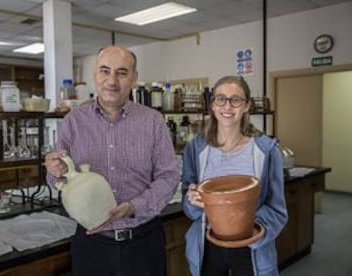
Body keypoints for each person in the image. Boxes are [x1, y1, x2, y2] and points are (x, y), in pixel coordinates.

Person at [45, 45, 180, 276]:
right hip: (92, 246)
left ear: (134, 78)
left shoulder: (153, 121)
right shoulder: (73, 121)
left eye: (122, 72)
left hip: (143, 243)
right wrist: (54, 170)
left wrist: (133, 207)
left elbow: (169, 177)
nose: (112, 80)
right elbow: (56, 178)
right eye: (105, 71)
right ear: (95, 75)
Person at [182, 75, 288, 276]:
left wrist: (248, 228)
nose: (227, 106)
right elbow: (190, 206)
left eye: (236, 99)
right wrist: (193, 201)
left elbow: (277, 210)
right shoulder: (195, 148)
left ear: (247, 106)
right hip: (207, 246)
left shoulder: (266, 150)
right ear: (212, 105)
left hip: (252, 248)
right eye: (220, 98)